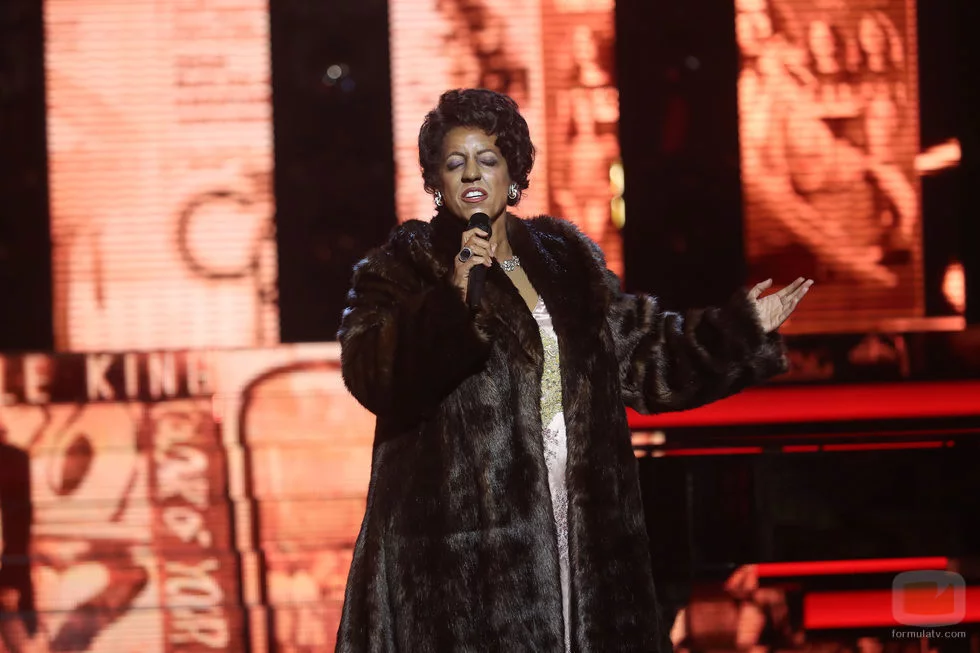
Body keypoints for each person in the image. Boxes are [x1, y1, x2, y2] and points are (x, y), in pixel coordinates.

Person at [334, 88, 813, 652]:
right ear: (435, 180)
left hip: (584, 535)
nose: (472, 173)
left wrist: (740, 328)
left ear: (514, 172)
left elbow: (644, 356)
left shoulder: (564, 260)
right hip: (466, 564)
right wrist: (451, 301)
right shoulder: (404, 267)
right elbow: (371, 371)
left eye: (488, 158)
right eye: (455, 161)